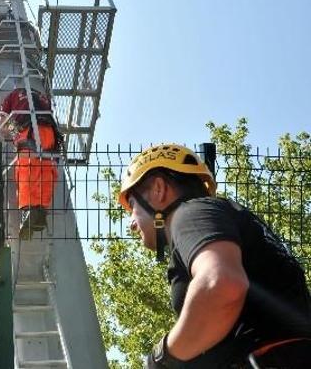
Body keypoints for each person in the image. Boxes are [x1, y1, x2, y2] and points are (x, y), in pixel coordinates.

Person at [117, 144, 311, 368]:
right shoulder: (226, 217)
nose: (131, 223)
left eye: (132, 206)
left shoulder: (190, 213)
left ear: (159, 189)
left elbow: (221, 284)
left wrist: (163, 357)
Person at [0, 85, 62, 239]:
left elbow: (3, 123)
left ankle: (29, 210)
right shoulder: (41, 96)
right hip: (50, 133)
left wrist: (15, 134)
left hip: (29, 131)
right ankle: (41, 211)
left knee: (25, 169)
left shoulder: (12, 96)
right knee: (46, 170)